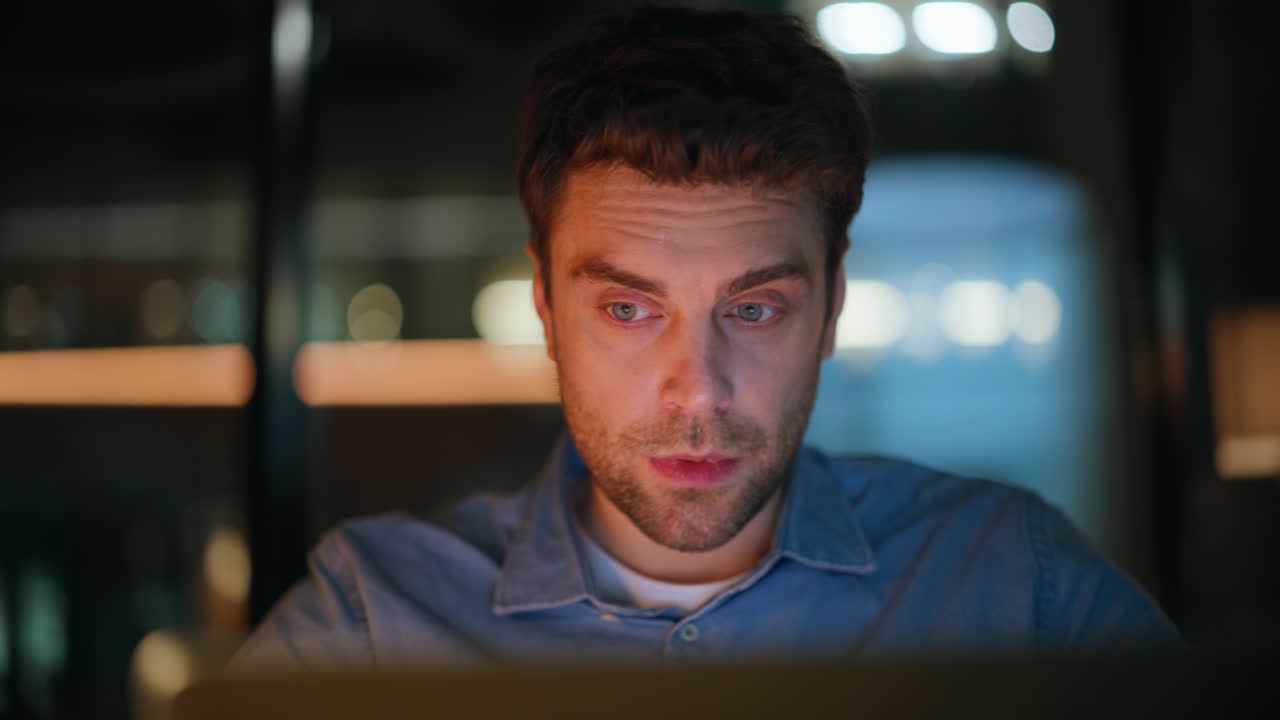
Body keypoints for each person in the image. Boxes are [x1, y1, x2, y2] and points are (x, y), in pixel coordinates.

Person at [233, 4, 1178, 667]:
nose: (698, 389)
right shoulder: (375, 619)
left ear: (833, 307)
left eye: (754, 309)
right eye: (629, 309)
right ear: (546, 310)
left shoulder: (1016, 587)